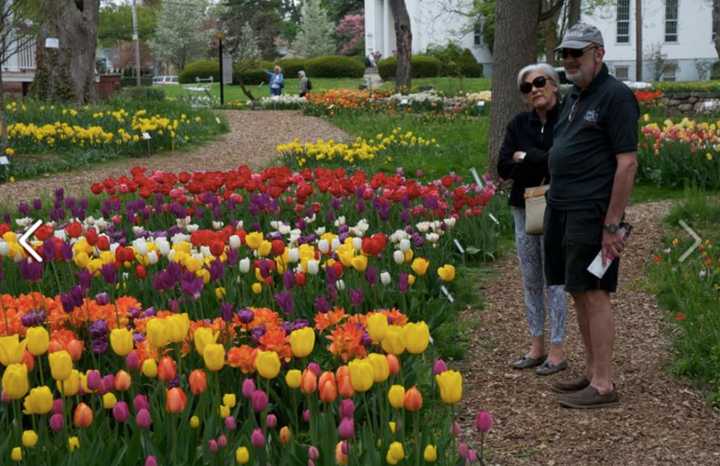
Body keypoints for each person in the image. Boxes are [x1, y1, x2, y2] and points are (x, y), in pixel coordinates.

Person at [544, 23, 639, 408]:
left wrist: (612, 225)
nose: (569, 61)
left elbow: (627, 164)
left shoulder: (615, 97)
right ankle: (591, 371)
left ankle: (604, 384)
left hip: (592, 212)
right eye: (564, 54)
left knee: (596, 293)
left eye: (576, 54)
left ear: (598, 54)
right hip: (563, 209)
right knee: (579, 291)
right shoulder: (574, 97)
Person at [497, 63, 568, 376]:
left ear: (553, 84)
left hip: (558, 205)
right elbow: (502, 166)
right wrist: (535, 159)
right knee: (530, 279)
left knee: (555, 277)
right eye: (527, 87)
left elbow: (561, 159)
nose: (534, 89)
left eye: (539, 82)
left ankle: (557, 348)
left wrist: (524, 157)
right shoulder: (518, 124)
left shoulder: (568, 118)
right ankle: (536, 345)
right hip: (524, 206)